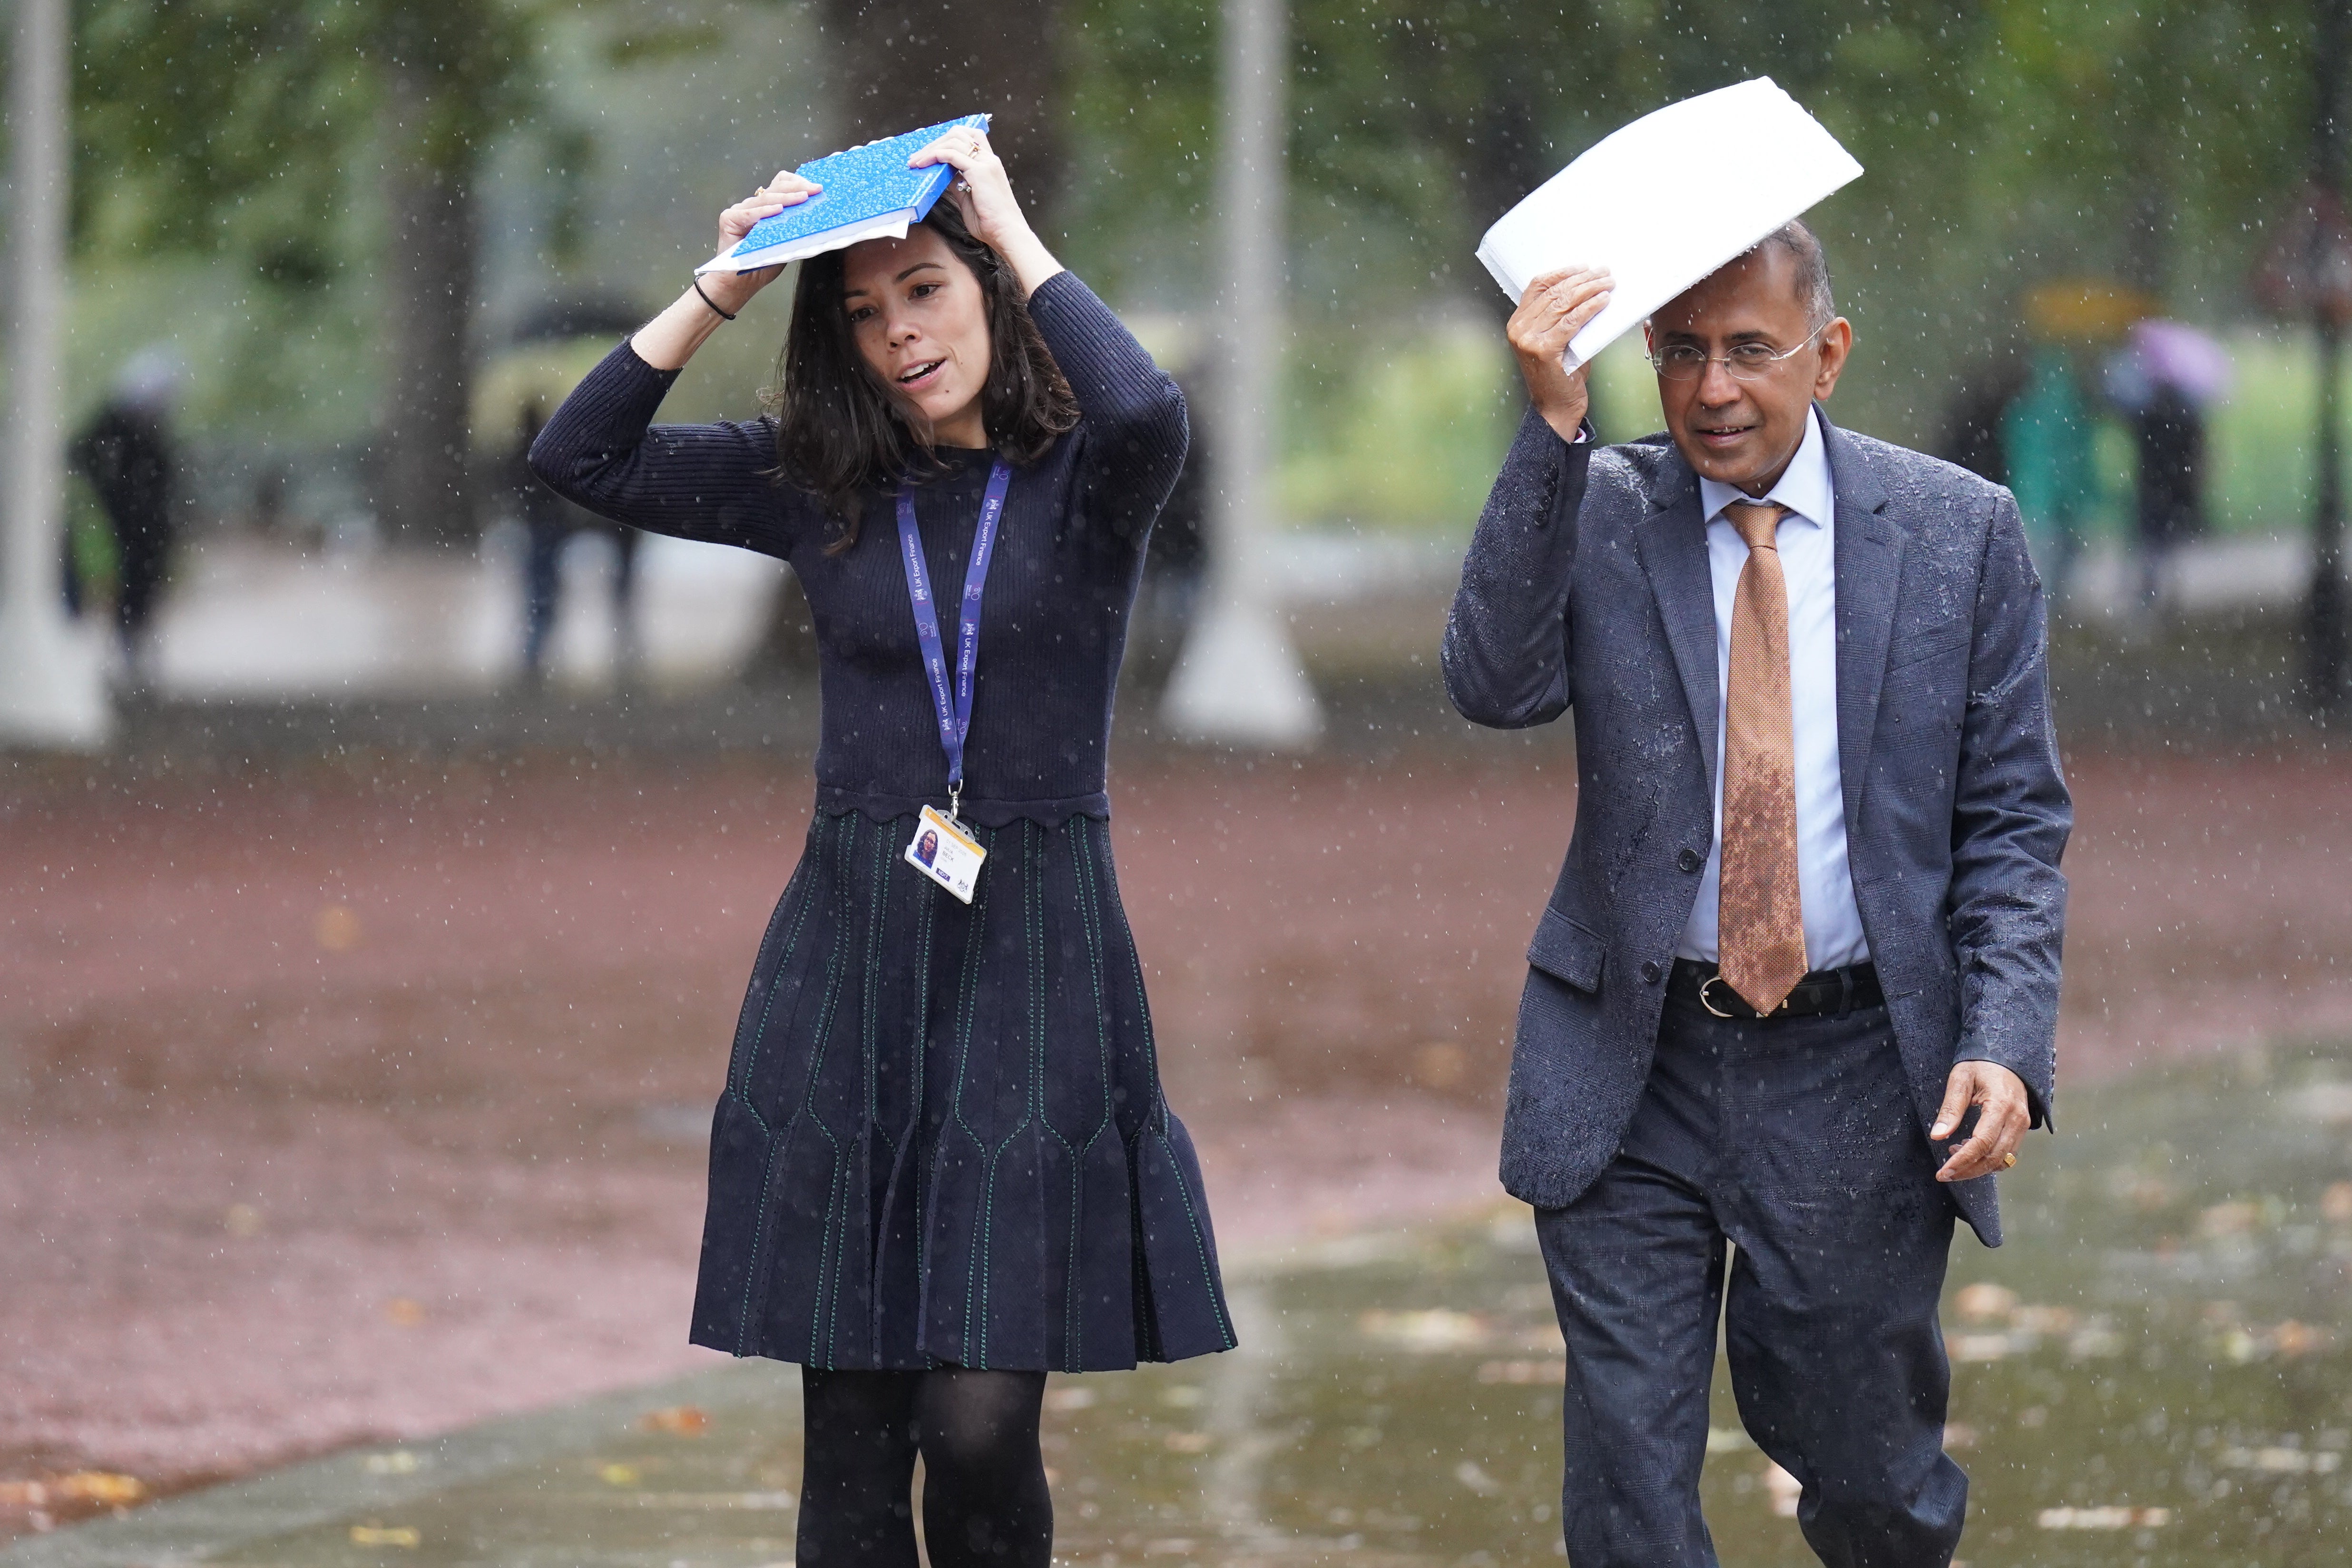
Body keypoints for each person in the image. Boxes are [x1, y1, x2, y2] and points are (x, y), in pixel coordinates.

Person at [529, 126, 1233, 1568]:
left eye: (923, 292)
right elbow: (577, 453)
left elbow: (1152, 405)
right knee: (850, 1435)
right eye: (861, 314)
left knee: (976, 1424)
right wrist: (728, 277)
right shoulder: (818, 482)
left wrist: (1011, 224)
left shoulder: (1088, 478)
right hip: (853, 947)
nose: (898, 335)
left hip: (1035, 946)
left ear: (985, 290)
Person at [1443, 224, 2070, 1567]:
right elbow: (1494, 684)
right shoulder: (1605, 508)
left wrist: (2005, 1044)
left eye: (1748, 351)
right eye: (1680, 353)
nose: (1713, 389)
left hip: (1859, 1065)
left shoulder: (1962, 536)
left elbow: (2014, 822)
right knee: (1628, 1483)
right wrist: (1552, 429)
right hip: (1633, 1058)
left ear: (1827, 356)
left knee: (1869, 1472)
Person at [69, 348, 181, 685]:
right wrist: (110, 490)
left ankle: (137, 643)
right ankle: (129, 645)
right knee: (131, 580)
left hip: (148, 521)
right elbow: (82, 454)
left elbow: (165, 475)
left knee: (144, 581)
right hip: (128, 518)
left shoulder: (152, 428)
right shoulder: (115, 422)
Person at [510, 401, 642, 685]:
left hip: (547, 528)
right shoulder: (558, 454)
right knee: (616, 595)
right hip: (573, 527)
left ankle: (534, 660)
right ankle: (626, 659)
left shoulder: (533, 455)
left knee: (540, 596)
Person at [1999, 344, 2099, 605]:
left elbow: (2015, 454)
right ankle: (2055, 614)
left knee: (2041, 565)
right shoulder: (2075, 415)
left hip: (2034, 500)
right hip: (2060, 503)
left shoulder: (2022, 413)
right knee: (2059, 563)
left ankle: (2045, 615)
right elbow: (2079, 464)